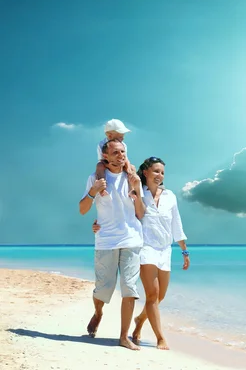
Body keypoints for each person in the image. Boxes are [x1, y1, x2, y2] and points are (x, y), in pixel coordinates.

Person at [93, 156, 190, 350]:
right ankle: (160, 338)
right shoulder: (136, 191)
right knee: (152, 295)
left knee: (160, 296)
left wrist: (184, 251)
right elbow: (118, 212)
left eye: (162, 172)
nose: (159, 175)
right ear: (145, 172)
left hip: (165, 250)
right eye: (155, 171)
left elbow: (176, 224)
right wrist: (98, 224)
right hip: (144, 247)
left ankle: (139, 321)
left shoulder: (170, 196)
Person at [80, 139, 146, 351]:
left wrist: (136, 189)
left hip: (132, 239)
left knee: (129, 287)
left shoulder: (132, 178)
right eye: (116, 152)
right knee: (104, 289)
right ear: (105, 156)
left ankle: (123, 337)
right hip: (106, 241)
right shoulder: (95, 178)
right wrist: (93, 191)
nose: (121, 155)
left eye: (123, 151)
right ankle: (98, 313)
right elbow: (82, 210)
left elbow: (141, 214)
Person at [95, 119, 136, 196]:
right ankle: (102, 188)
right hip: (106, 163)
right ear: (110, 136)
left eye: (123, 136)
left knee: (132, 168)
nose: (123, 138)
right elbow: (102, 159)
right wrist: (110, 165)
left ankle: (131, 189)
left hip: (120, 163)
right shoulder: (102, 144)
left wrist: (128, 168)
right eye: (120, 137)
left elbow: (125, 158)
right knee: (99, 166)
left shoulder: (123, 145)